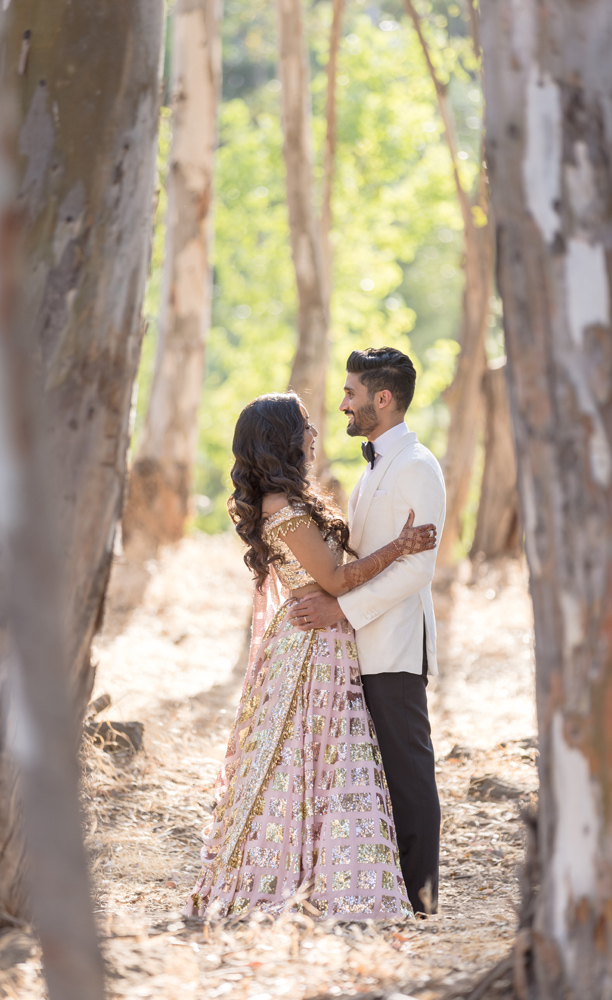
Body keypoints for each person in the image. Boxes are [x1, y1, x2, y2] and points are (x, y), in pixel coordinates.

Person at [184, 391, 438, 921]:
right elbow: (337, 578)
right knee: (305, 759)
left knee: (320, 760)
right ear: (282, 437)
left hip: (325, 642)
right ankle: (296, 881)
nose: (313, 430)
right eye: (303, 424)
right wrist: (402, 544)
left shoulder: (290, 500)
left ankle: (322, 876)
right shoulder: (281, 508)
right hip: (308, 649)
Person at [289, 347, 445, 915]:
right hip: (362, 644)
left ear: (383, 398)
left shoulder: (419, 467)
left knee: (407, 772)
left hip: (396, 643)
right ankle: (389, 893)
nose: (342, 403)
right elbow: (363, 553)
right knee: (379, 774)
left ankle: (422, 901)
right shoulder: (375, 466)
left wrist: (341, 612)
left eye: (351, 392)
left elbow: (419, 567)